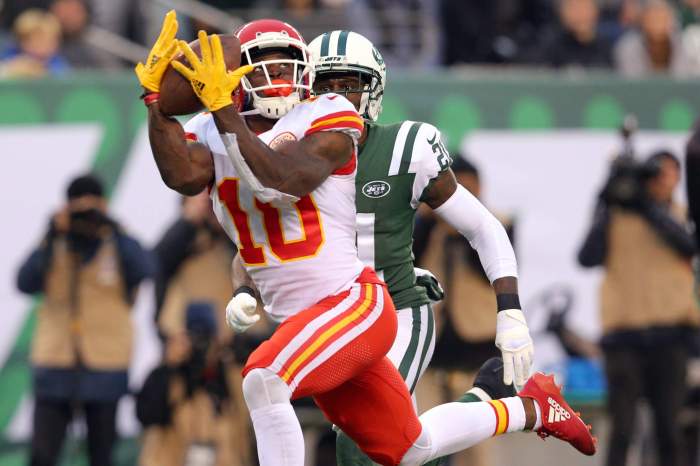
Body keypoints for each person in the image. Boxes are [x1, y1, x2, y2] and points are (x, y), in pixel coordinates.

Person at [136, 12, 595, 466]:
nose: (279, 78)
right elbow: (180, 173)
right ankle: (529, 407)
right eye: (266, 68)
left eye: (287, 66)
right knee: (408, 446)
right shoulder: (214, 128)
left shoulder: (326, 114)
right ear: (238, 75)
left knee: (263, 377)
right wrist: (155, 102)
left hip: (354, 304)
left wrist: (222, 112)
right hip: (304, 318)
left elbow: (280, 182)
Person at [303, 30, 531, 466]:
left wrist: (510, 311)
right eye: (324, 85)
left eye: (348, 84)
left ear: (372, 90)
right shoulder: (290, 157)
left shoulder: (406, 148)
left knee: (361, 442)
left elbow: (483, 226)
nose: (335, 97)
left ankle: (514, 403)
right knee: (396, 446)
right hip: (333, 322)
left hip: (397, 313)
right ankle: (498, 399)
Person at [16, 174, 152, 466]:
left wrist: (112, 228)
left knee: (101, 455)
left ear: (104, 205)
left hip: (105, 365)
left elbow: (146, 268)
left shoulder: (117, 241)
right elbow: (24, 282)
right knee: (42, 454)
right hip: (56, 363)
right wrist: (51, 235)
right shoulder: (54, 242)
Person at [578, 150, 698, 466]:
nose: (663, 181)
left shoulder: (681, 216)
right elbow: (587, 257)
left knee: (669, 429)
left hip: (671, 336)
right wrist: (607, 197)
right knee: (623, 429)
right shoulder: (615, 218)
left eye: (670, 173)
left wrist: (647, 206)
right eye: (655, 175)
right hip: (623, 338)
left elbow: (688, 244)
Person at [137, 303, 244, 466]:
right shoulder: (173, 371)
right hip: (175, 452)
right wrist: (168, 367)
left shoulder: (225, 370)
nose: (200, 346)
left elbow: (241, 417)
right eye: (195, 338)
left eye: (206, 337)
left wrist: (222, 361)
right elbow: (148, 416)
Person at [614, 0, 692, 77]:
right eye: (652, 17)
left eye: (662, 18)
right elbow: (633, 82)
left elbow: (683, 79)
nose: (657, 23)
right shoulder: (628, 46)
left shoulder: (684, 45)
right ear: (643, 20)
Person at [534, 0, 613, 69]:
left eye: (585, 7)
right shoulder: (551, 46)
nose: (580, 14)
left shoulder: (606, 47)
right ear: (563, 13)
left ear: (596, 11)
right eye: (574, 8)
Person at [0, 9, 69, 77]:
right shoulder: (10, 57)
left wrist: (42, 72)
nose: (42, 48)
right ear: (21, 41)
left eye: (48, 42)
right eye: (36, 42)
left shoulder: (58, 63)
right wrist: (9, 69)